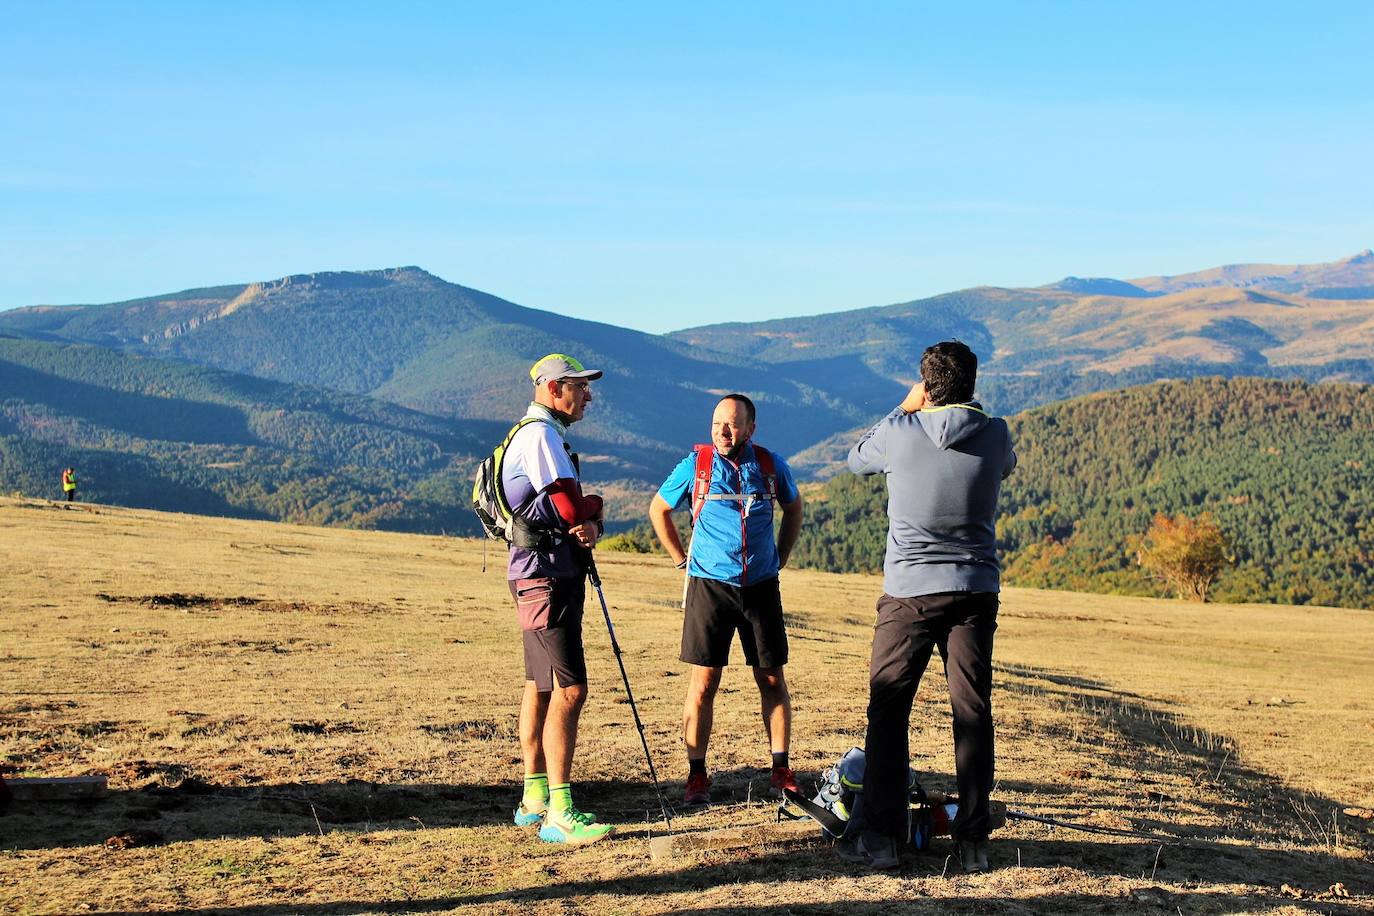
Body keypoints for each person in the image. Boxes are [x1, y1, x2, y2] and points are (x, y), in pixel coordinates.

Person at [842, 341, 1017, 872]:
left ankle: (882, 839)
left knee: (890, 712)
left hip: (909, 592)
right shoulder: (997, 433)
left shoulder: (900, 431)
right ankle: (972, 844)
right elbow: (1003, 466)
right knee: (971, 711)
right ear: (972, 383)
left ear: (927, 384)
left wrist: (904, 406)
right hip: (974, 592)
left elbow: (855, 460)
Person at [648, 393, 805, 806]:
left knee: (771, 679)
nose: (723, 431)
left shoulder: (770, 466)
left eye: (733, 424)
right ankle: (697, 776)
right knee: (704, 683)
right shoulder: (696, 466)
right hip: (710, 587)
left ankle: (781, 768)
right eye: (717, 423)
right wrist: (681, 559)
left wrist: (779, 558)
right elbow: (658, 510)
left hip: (761, 587)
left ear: (751, 428)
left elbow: (794, 509)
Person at [503, 353, 611, 845]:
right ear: (552, 389)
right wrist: (593, 509)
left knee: (540, 684)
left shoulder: (528, 432)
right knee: (570, 689)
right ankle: (561, 813)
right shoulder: (542, 436)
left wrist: (586, 515)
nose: (587, 394)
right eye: (579, 386)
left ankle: (535, 797)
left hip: (531, 574)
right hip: (549, 577)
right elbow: (568, 504)